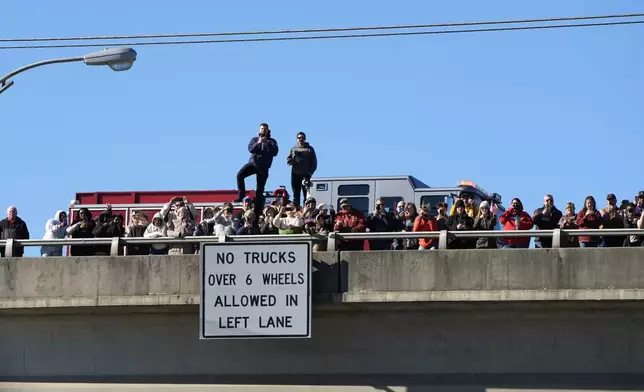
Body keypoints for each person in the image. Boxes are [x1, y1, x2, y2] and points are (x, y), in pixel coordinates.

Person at [236, 123, 279, 216]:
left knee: (260, 189)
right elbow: (251, 149)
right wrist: (258, 142)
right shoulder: (255, 139)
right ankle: (241, 197)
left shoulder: (272, 141)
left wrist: (266, 142)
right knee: (240, 175)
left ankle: (258, 208)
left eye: (264, 128)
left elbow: (275, 152)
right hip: (253, 164)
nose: (263, 130)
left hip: (263, 167)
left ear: (268, 130)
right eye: (261, 128)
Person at [287, 132, 318, 207]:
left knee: (306, 194)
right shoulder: (293, 149)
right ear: (297, 139)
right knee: (296, 194)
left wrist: (310, 173)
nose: (300, 139)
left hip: (306, 174)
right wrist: (294, 160)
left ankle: (305, 209)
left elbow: (314, 163)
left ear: (305, 139)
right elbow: (288, 160)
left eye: (302, 138)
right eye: (299, 138)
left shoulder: (310, 149)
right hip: (295, 174)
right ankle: (296, 209)